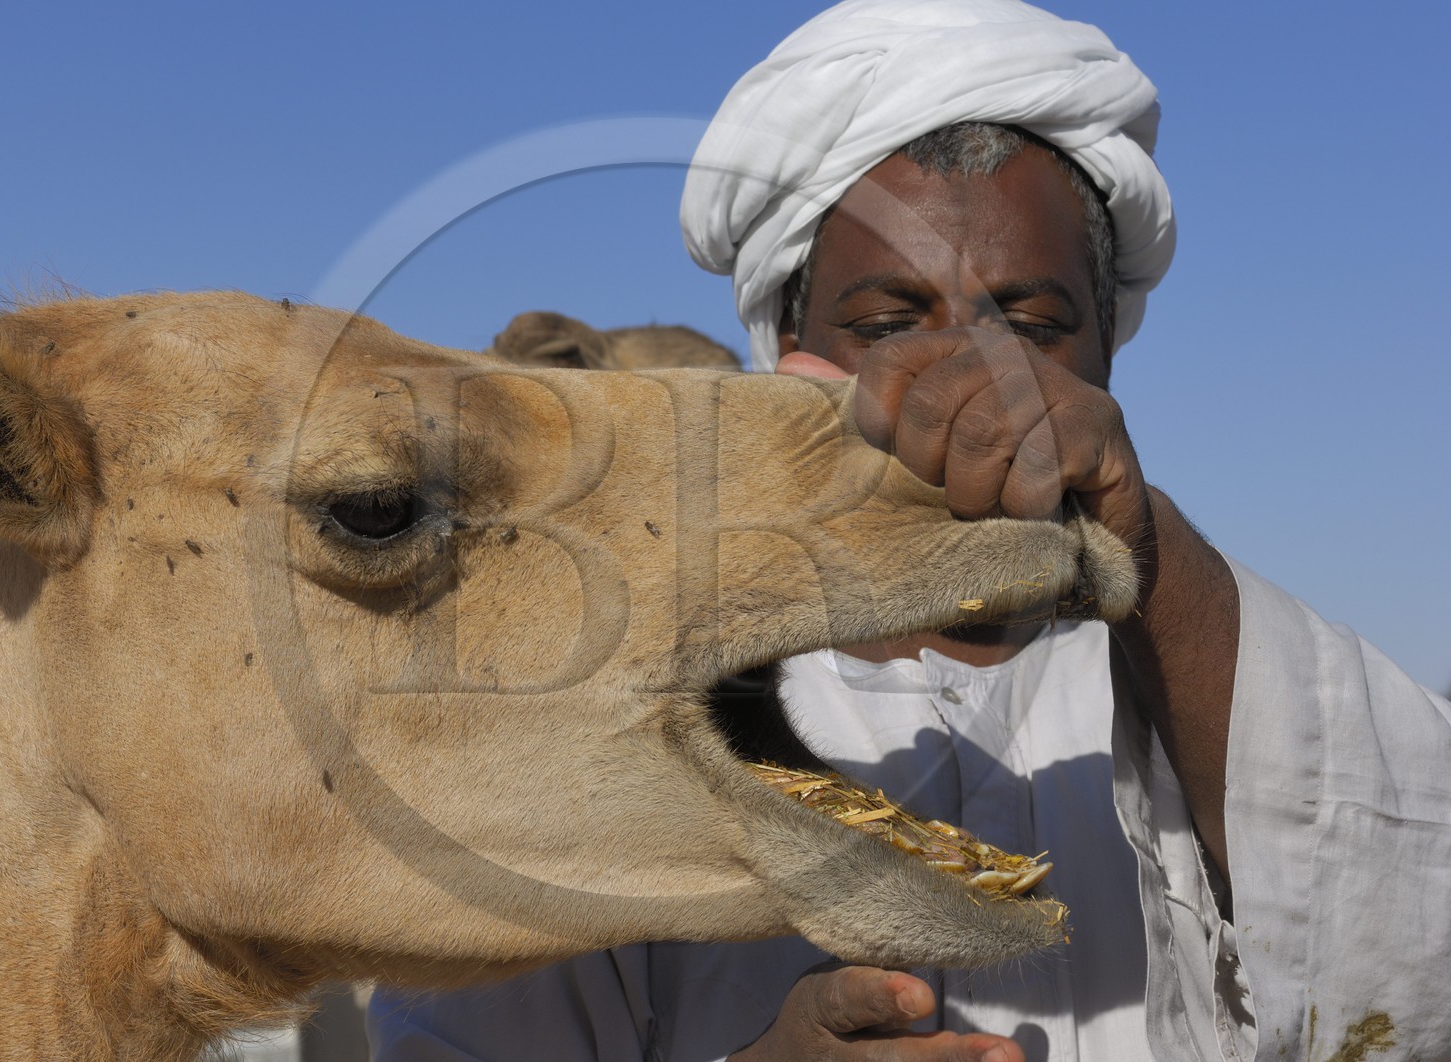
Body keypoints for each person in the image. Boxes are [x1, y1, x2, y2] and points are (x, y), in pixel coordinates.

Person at [368, 2, 1451, 1059]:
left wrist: (1147, 558)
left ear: (1106, 355)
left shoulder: (1217, 681)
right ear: (789, 355)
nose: (976, 380)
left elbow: (1398, 918)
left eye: (1031, 327)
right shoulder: (609, 724)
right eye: (887, 325)